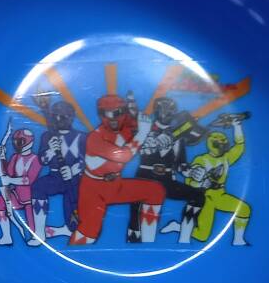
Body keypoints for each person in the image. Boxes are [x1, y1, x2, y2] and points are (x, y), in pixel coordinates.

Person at [69, 94, 165, 245]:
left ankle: (148, 244)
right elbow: (123, 156)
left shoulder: (127, 125)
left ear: (124, 112)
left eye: (117, 112)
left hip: (115, 185)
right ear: (100, 114)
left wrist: (159, 136)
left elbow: (151, 127)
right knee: (88, 231)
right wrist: (142, 134)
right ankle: (72, 254)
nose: (112, 118)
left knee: (155, 191)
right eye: (106, 113)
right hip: (93, 190)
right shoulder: (95, 138)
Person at [124, 96, 206, 244]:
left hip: (167, 181)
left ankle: (184, 239)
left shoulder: (178, 136)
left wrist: (192, 172)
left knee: (198, 196)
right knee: (136, 219)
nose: (165, 113)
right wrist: (146, 141)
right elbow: (129, 151)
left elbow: (181, 165)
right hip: (145, 178)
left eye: (169, 110)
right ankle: (134, 241)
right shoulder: (144, 129)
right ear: (156, 111)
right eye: (162, 109)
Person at [180, 116, 251, 245]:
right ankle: (177, 227)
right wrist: (200, 183)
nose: (223, 145)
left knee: (244, 209)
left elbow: (239, 145)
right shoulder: (201, 159)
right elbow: (189, 182)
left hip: (220, 195)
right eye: (219, 143)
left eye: (224, 142)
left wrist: (237, 126)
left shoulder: (227, 158)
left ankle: (238, 240)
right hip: (205, 198)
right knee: (202, 236)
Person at [30, 101, 86, 245]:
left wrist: (73, 170)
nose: (60, 120)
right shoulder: (47, 136)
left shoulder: (82, 137)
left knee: (73, 214)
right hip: (55, 176)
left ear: (71, 117)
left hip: (76, 180)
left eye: (64, 116)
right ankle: (39, 233)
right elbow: (43, 160)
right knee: (38, 187)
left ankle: (68, 229)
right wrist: (50, 150)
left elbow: (87, 160)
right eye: (57, 116)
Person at [0, 127, 41, 246]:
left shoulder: (36, 159)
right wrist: (2, 157)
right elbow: (7, 173)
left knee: (33, 229)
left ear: (30, 142)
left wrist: (10, 180)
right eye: (16, 141)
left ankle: (50, 233)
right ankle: (7, 236)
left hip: (31, 199)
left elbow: (29, 179)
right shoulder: (15, 157)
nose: (17, 144)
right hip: (16, 195)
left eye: (21, 141)